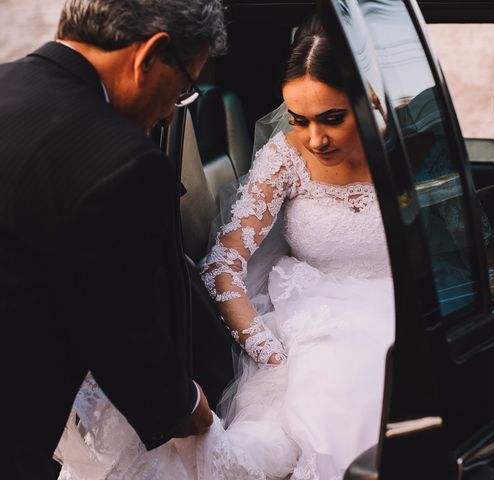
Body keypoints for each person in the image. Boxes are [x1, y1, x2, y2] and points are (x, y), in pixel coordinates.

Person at [55, 15, 395, 480]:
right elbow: (222, 266)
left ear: (369, 100)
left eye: (333, 118)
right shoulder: (287, 158)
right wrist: (268, 349)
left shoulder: (406, 155)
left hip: (407, 318)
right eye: (299, 120)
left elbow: (471, 255)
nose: (315, 138)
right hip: (311, 324)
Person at [0, 1, 227, 478]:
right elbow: (120, 328)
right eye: (184, 89)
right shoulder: (122, 162)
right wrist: (185, 403)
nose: (170, 115)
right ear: (151, 54)